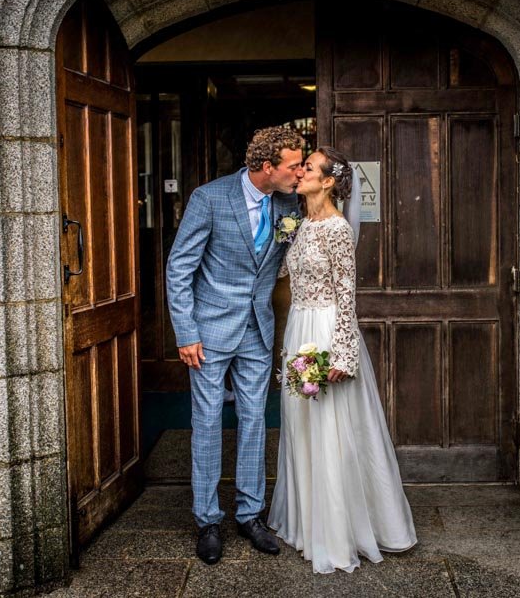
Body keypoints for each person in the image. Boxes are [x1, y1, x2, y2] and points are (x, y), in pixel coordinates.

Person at [268, 146, 417, 573]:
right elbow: (283, 272)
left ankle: (338, 531)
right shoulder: (299, 224)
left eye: (309, 168)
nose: (300, 173)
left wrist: (344, 354)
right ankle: (307, 521)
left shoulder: (334, 229)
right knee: (302, 427)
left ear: (328, 181)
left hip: (327, 330)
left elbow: (347, 294)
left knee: (333, 429)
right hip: (299, 329)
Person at [166, 125, 305, 565]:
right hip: (207, 332)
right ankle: (207, 519)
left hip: (257, 330)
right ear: (268, 167)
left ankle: (249, 514)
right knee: (206, 421)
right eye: (293, 166)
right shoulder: (209, 198)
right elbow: (179, 267)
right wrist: (185, 331)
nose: (299, 173)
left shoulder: (289, 204)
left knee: (254, 420)